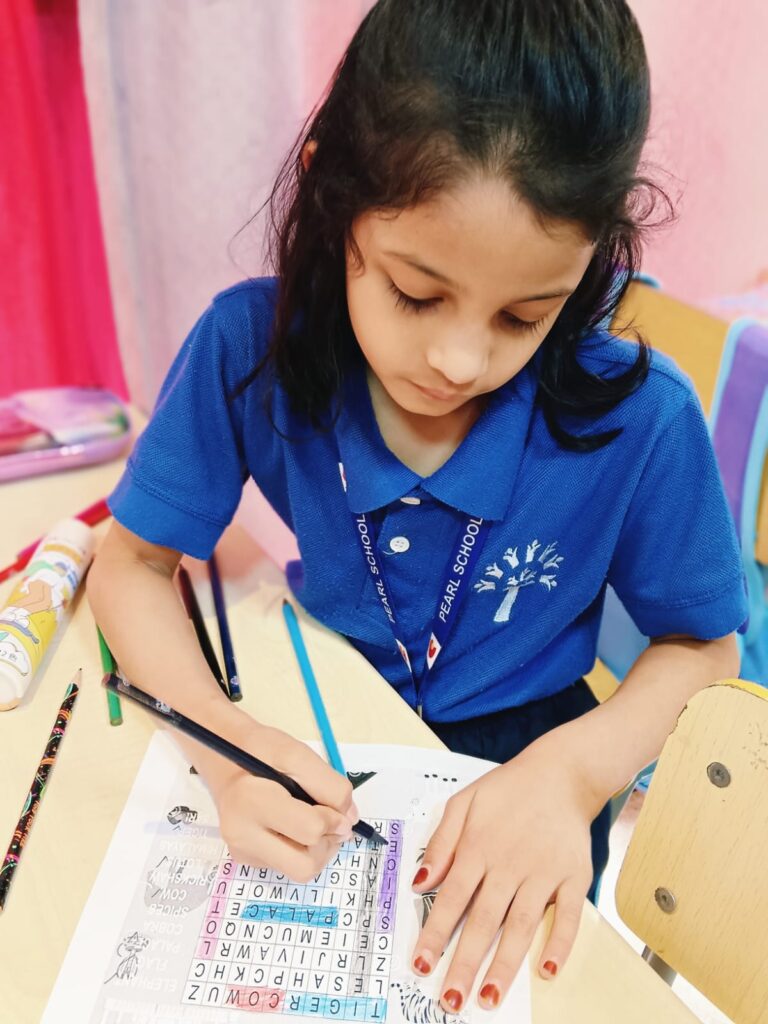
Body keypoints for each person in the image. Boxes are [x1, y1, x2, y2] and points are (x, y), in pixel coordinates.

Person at [88, 0, 746, 1013]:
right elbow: (129, 564)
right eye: (414, 292)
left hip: (536, 772)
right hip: (319, 724)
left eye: (526, 314)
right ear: (331, 191)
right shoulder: (247, 352)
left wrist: (572, 776)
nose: (458, 359)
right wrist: (221, 748)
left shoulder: (642, 420)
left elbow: (703, 647)